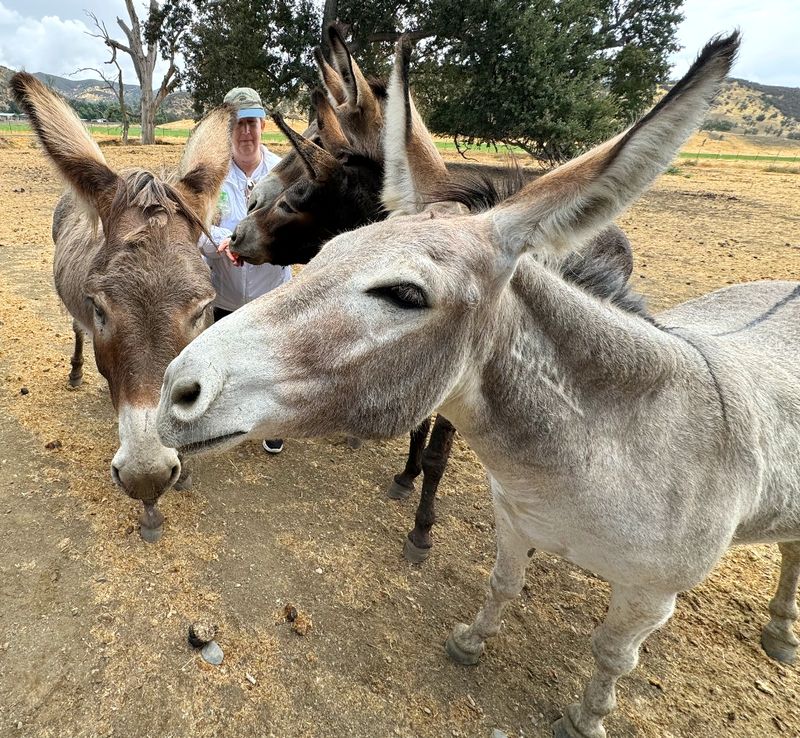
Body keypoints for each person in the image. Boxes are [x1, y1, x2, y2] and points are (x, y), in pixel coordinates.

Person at [198, 86, 288, 455]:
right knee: (223, 359)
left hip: (271, 293)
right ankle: (222, 418)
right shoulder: (211, 176)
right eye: (237, 124)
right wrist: (224, 240)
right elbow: (197, 230)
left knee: (269, 360)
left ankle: (270, 422)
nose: (246, 132)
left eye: (252, 122)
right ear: (227, 130)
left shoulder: (285, 171)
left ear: (263, 125)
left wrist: (261, 245)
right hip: (226, 293)